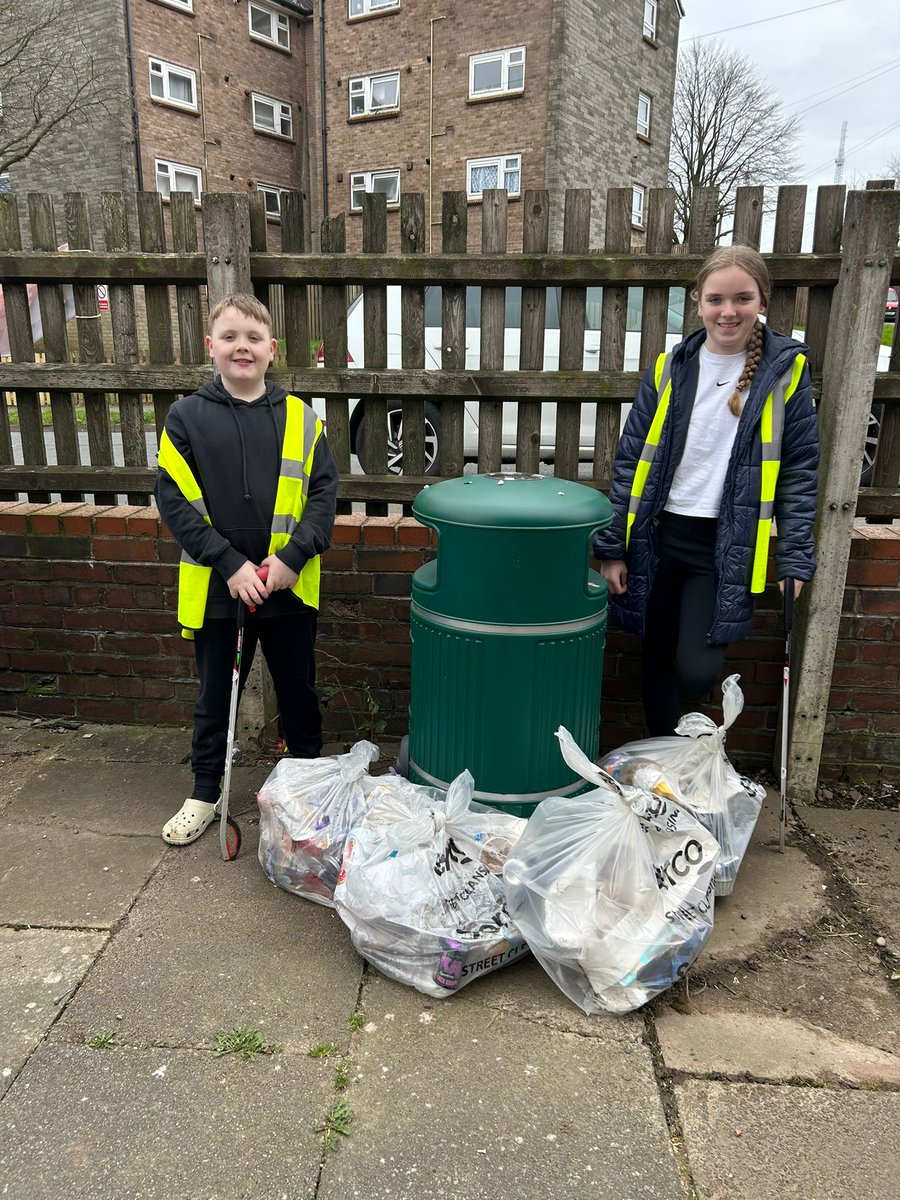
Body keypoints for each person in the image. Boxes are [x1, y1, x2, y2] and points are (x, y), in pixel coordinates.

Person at [592, 246, 819, 737]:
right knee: (651, 659)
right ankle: (663, 774)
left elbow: (799, 472)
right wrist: (611, 549)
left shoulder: (787, 374)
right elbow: (631, 460)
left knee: (695, 671)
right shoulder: (670, 366)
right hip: (658, 535)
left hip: (723, 545)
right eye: (716, 299)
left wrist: (796, 556)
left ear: (762, 301)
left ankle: (680, 751)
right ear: (698, 302)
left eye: (742, 298)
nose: (728, 311)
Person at [155, 293, 338, 844]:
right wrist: (229, 564)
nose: (242, 347)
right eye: (231, 337)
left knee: (298, 692)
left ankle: (307, 786)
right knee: (215, 697)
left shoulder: (303, 420)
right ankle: (205, 792)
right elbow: (175, 503)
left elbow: (324, 497)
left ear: (272, 350)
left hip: (285, 587)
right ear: (211, 347)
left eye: (254, 338)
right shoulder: (184, 417)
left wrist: (292, 558)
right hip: (219, 588)